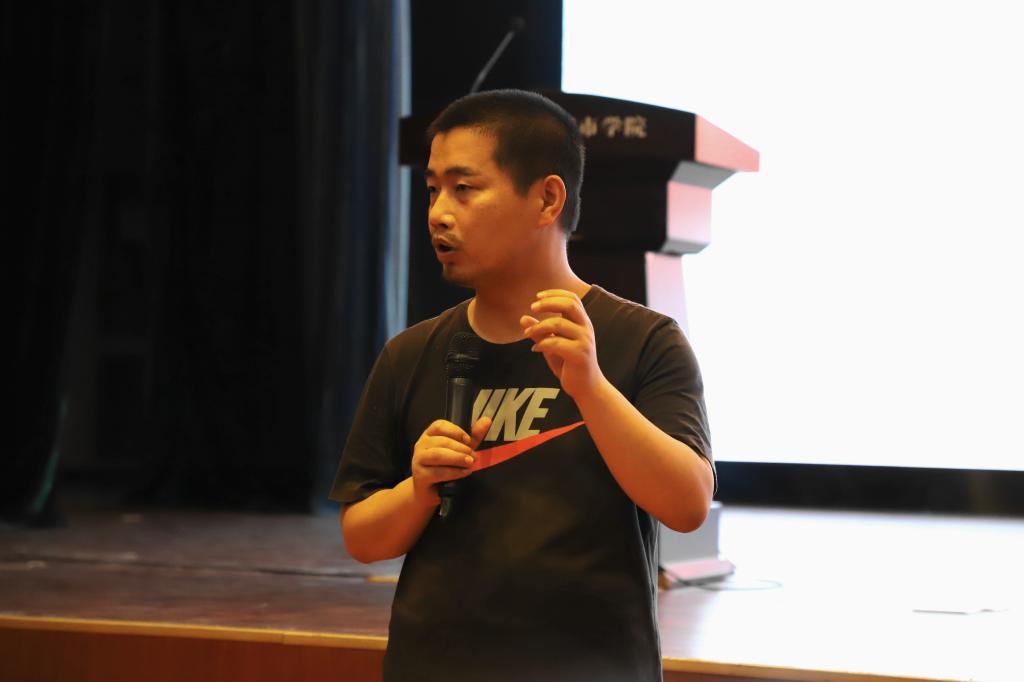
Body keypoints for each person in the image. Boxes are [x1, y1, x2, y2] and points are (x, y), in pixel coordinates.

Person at [331, 89, 715, 682]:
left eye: (464, 188)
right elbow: (361, 537)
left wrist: (591, 388)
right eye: (432, 190)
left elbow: (687, 505)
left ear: (547, 199)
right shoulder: (410, 353)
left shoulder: (643, 341)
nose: (438, 213)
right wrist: (418, 490)